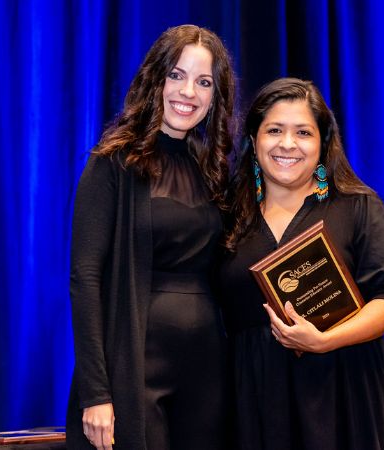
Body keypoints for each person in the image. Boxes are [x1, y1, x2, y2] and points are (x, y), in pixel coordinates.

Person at [66, 25, 235, 450]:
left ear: (216, 95)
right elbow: (84, 279)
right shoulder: (112, 163)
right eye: (176, 75)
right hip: (134, 369)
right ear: (154, 79)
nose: (188, 93)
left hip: (207, 371)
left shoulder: (212, 169)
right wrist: (96, 394)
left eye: (203, 82)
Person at [221, 78, 384, 450]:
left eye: (303, 132)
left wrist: (324, 341)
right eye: (274, 130)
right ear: (254, 140)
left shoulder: (358, 207)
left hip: (346, 391)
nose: (287, 144)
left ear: (323, 143)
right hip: (255, 398)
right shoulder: (227, 215)